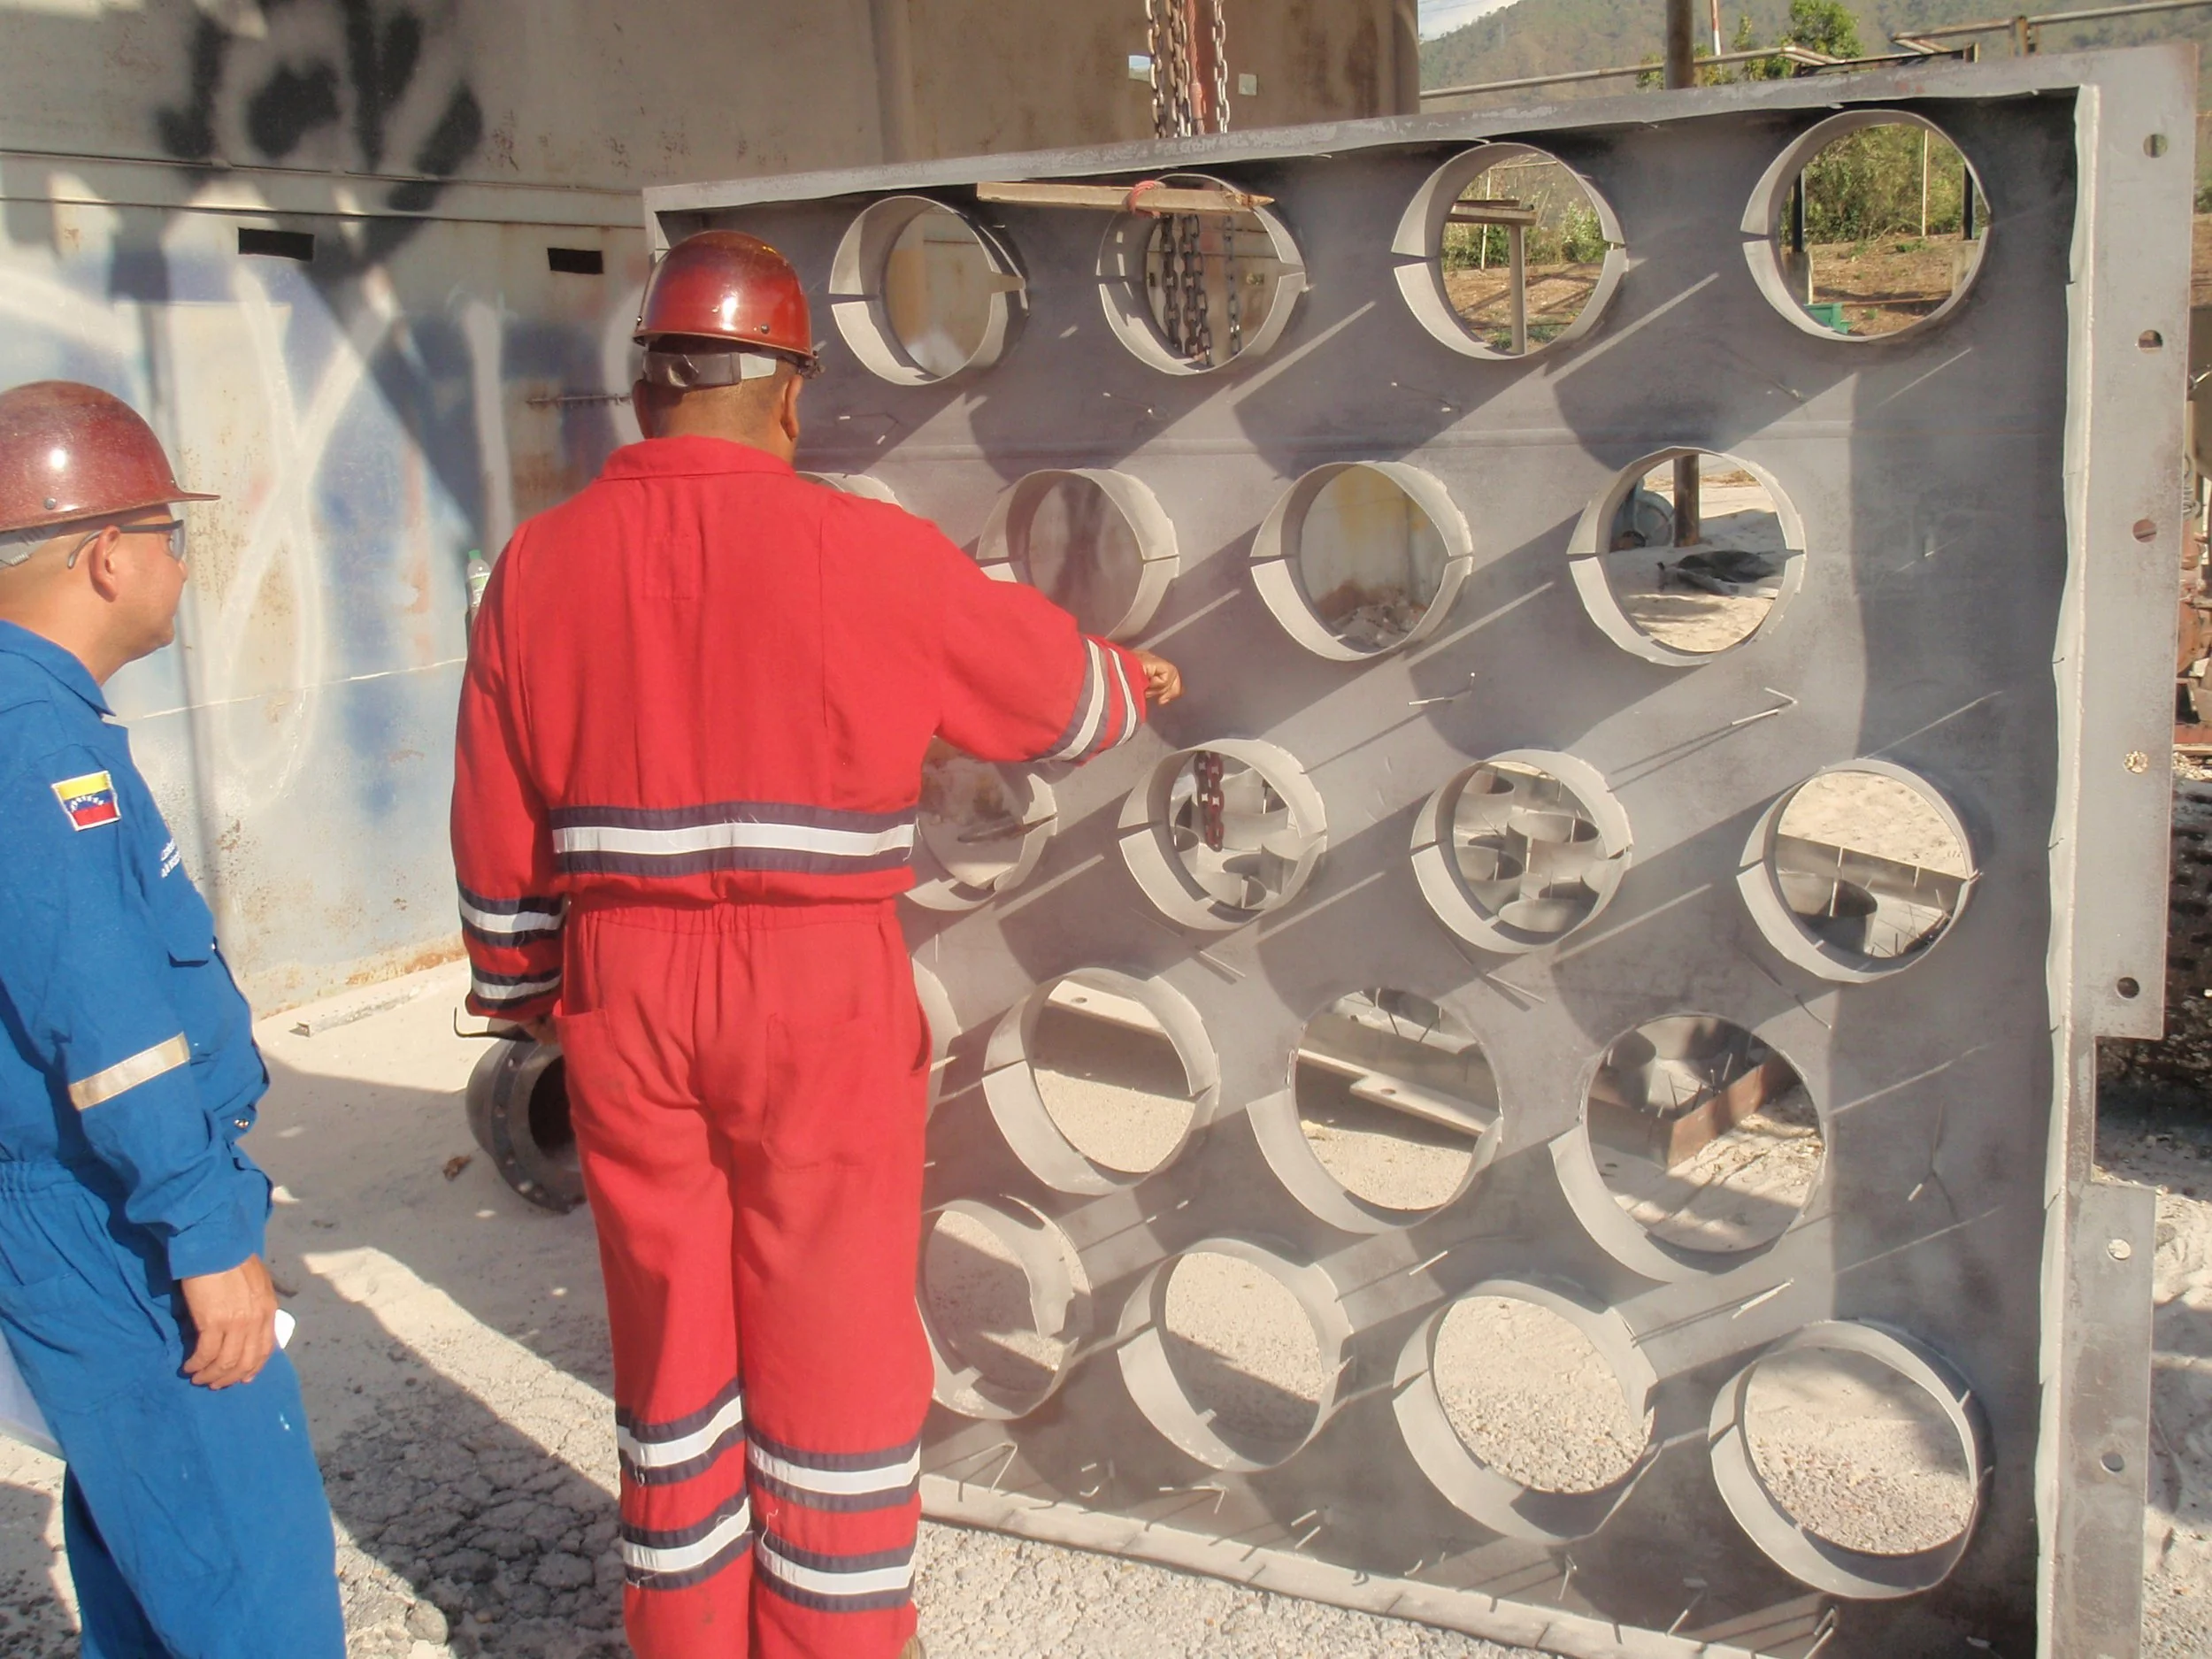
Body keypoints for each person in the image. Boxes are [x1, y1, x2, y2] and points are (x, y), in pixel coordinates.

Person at [451, 229, 1182, 1659]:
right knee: (831, 1325)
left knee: (673, 1331)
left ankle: (685, 1632)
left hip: (626, 991)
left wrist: (530, 990)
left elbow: (495, 823)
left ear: (650, 386)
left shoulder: (535, 568)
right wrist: (1131, 681)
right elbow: (1055, 700)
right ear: (787, 393)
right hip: (815, 989)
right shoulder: (865, 552)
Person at [0, 380, 345, 1657]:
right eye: (170, 538)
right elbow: (111, 1025)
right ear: (106, 554)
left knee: (154, 1574)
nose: (181, 566)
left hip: (80, 1202)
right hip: (109, 1213)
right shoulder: (33, 738)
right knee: (250, 1586)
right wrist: (204, 1237)